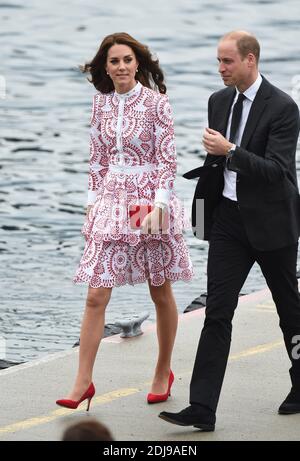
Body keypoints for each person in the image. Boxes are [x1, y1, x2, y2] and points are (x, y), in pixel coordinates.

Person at [159, 30, 300, 431]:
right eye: (218, 61)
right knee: (217, 312)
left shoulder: (283, 107)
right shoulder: (218, 101)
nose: (220, 69)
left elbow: (277, 171)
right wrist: (203, 212)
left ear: (250, 60)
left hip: (273, 222)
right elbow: (215, 163)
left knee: (290, 310)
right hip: (228, 223)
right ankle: (202, 407)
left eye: (227, 62)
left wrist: (232, 152)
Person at [56, 33, 193, 411]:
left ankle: (163, 370)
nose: (121, 67)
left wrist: (159, 207)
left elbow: (167, 161)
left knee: (159, 289)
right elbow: (97, 159)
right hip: (112, 197)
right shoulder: (100, 105)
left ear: (138, 64)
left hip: (148, 199)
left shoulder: (156, 103)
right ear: (105, 66)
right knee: (97, 290)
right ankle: (83, 380)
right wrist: (90, 203)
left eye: (127, 60)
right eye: (114, 61)